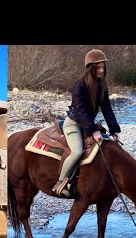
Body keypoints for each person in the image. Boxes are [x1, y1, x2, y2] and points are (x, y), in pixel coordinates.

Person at [52, 49, 122, 197]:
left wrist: (115, 130)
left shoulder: (103, 85)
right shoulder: (80, 85)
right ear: (91, 68)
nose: (101, 70)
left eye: (103, 67)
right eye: (98, 68)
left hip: (88, 123)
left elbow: (107, 108)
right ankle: (59, 183)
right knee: (77, 151)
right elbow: (81, 110)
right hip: (74, 123)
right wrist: (93, 131)